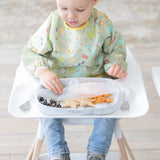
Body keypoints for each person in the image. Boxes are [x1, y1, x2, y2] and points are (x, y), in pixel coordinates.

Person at [21, 0, 127, 159]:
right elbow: (31, 52)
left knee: (109, 110)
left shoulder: (102, 23)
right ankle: (58, 152)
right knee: (45, 109)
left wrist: (115, 65)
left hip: (94, 84)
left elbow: (115, 49)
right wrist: (42, 71)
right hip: (59, 85)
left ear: (94, 2)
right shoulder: (53, 22)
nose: (70, 15)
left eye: (80, 9)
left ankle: (97, 152)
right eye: (63, 8)